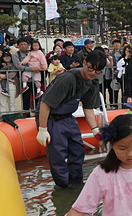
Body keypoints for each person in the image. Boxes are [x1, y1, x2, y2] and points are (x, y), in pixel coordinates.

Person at [36, 49, 108, 188]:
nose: (93, 73)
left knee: (78, 150)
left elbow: (88, 108)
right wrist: (42, 129)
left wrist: (95, 131)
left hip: (68, 116)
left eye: (97, 71)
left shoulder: (92, 83)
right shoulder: (67, 78)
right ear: (85, 63)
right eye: (91, 68)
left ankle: (76, 184)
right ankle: (63, 188)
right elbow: (45, 103)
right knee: (58, 155)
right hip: (51, 116)